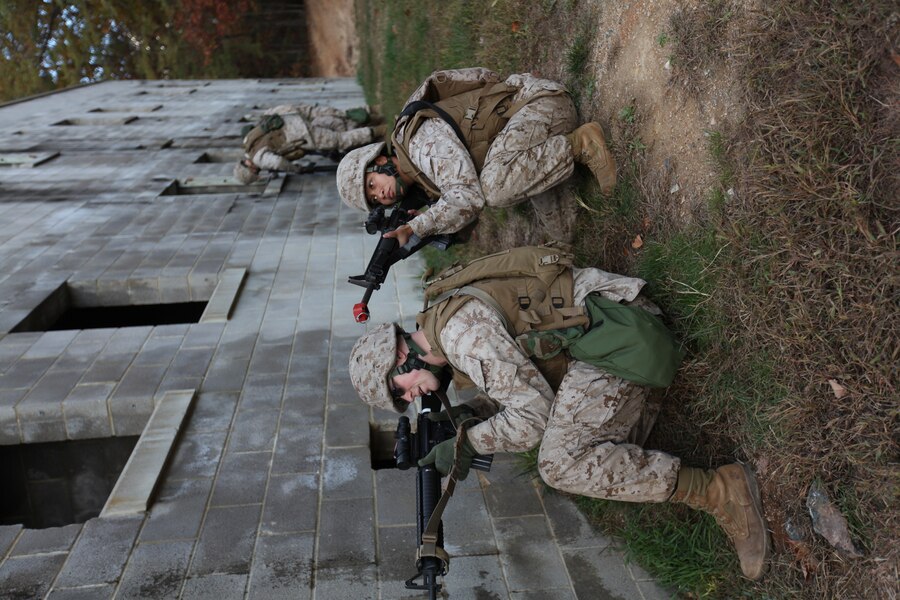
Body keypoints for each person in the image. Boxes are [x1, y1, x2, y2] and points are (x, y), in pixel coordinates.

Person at [347, 250, 770, 581]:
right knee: (601, 458)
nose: (411, 396)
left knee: (560, 464)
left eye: (399, 389)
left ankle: (720, 490)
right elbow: (521, 374)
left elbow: (532, 417)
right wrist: (469, 414)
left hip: (619, 333)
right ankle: (642, 413)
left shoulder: (462, 338)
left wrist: (470, 442)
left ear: (401, 356)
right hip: (603, 328)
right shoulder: (443, 325)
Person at [335, 67, 617, 244]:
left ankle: (580, 143)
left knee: (494, 189)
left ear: (379, 161)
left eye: (372, 184)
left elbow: (471, 197)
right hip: (516, 141)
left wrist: (415, 228)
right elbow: (465, 217)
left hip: (540, 108)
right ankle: (553, 159)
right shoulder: (420, 182)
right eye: (374, 200)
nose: (380, 195)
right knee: (564, 233)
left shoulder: (421, 145)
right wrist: (440, 228)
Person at [234, 104, 386, 184]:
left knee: (340, 140)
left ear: (251, 170)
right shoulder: (247, 141)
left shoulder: (258, 159)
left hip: (297, 131)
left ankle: (382, 129)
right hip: (285, 112)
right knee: (331, 114)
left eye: (255, 173)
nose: (258, 172)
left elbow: (277, 161)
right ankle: (373, 111)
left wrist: (296, 169)